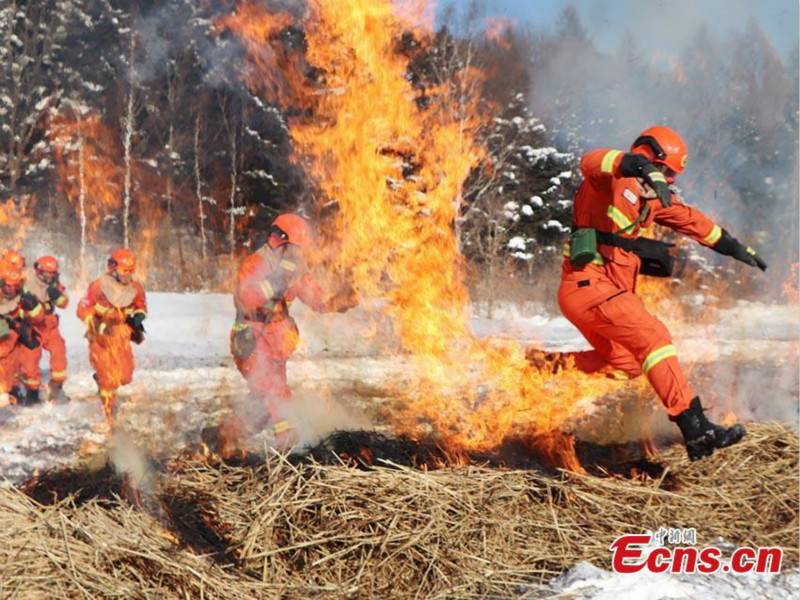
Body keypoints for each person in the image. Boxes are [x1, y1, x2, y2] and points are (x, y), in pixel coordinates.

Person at [555, 125, 767, 461]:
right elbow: (591, 161)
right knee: (654, 336)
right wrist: (640, 168)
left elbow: (694, 222)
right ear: (650, 159)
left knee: (626, 364)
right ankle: (695, 427)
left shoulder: (652, 200)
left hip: (604, 296)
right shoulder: (609, 178)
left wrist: (735, 247)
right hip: (589, 285)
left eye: (671, 176)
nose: (669, 181)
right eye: (666, 172)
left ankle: (546, 365)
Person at [227, 213, 356, 450]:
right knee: (276, 395)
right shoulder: (255, 264)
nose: (299, 254)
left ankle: (224, 437)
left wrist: (341, 300)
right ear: (280, 240)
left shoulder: (293, 269)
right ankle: (287, 449)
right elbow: (246, 299)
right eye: (296, 248)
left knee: (262, 408)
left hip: (275, 345)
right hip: (251, 342)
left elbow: (317, 300)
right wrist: (276, 281)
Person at [76, 248, 147, 424]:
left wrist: (139, 317)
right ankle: (108, 414)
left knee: (125, 376)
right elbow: (82, 308)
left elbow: (141, 305)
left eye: (130, 271)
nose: (127, 275)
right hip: (100, 335)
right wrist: (94, 322)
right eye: (124, 271)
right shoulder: (98, 286)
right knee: (108, 377)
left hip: (122, 335)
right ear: (113, 269)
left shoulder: (136, 288)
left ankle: (101, 380)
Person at [23, 256, 70, 403]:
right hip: (31, 327)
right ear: (39, 271)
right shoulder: (27, 283)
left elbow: (64, 303)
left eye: (52, 273)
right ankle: (32, 392)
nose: (50, 276)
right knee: (30, 361)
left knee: (59, 353)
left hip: (49, 325)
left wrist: (58, 295)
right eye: (47, 273)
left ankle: (56, 387)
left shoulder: (55, 284)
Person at [0, 260, 44, 406]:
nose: (11, 290)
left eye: (15, 286)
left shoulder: (24, 296)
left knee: (29, 365)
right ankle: (12, 392)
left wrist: (33, 307)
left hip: (22, 336)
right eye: (8, 286)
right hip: (5, 340)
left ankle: (32, 394)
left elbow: (39, 318)